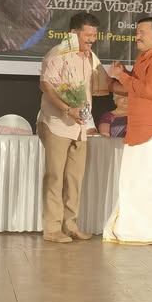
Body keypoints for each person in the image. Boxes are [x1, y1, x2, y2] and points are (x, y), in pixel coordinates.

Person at [103, 16, 152, 245]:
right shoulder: (144, 57)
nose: (137, 36)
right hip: (141, 129)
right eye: (137, 32)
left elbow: (148, 90)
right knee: (137, 182)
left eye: (141, 32)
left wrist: (121, 76)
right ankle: (138, 231)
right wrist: (120, 76)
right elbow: (136, 87)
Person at [37, 12, 110, 243]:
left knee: (74, 178)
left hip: (81, 127)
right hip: (57, 124)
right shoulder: (57, 54)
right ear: (73, 33)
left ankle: (70, 225)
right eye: (87, 35)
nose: (92, 39)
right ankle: (52, 229)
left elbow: (102, 84)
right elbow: (46, 85)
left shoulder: (90, 57)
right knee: (55, 177)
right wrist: (67, 109)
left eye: (94, 35)